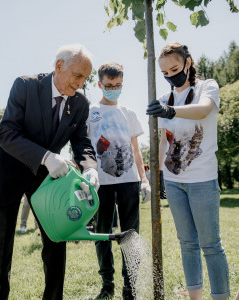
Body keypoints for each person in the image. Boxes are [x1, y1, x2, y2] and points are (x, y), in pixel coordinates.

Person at [0, 44, 99, 300]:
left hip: (47, 180)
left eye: (85, 79)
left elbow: (81, 142)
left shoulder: (81, 104)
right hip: (8, 174)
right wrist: (46, 156)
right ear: (59, 66)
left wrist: (90, 169)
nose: (81, 83)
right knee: (0, 249)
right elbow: (7, 133)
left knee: (56, 241)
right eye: (77, 75)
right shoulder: (25, 86)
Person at [146, 42, 229, 300]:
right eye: (165, 73)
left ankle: (220, 297)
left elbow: (203, 110)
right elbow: (164, 141)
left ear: (188, 63)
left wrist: (172, 111)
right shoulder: (163, 100)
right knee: (187, 243)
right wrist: (158, 176)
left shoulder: (208, 86)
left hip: (202, 179)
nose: (171, 75)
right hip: (173, 181)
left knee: (210, 245)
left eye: (175, 68)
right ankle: (195, 298)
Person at [87, 62, 151, 300]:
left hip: (128, 181)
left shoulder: (128, 113)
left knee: (130, 234)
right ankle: (107, 284)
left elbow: (136, 151)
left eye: (118, 85)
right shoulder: (90, 112)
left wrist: (144, 179)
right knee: (102, 233)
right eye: (109, 85)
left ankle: (129, 286)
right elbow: (83, 147)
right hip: (99, 182)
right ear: (99, 84)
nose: (113, 89)